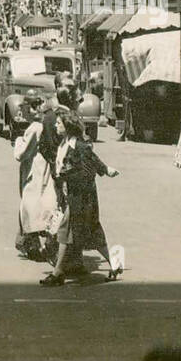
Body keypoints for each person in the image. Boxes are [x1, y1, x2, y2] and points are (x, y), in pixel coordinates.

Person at [40, 109, 120, 286]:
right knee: (91, 231)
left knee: (65, 231)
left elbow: (89, 165)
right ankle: (115, 264)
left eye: (59, 123)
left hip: (82, 197)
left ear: (67, 126)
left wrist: (105, 170)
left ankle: (58, 273)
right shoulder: (64, 144)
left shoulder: (79, 146)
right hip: (73, 195)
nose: (56, 125)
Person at [13, 91, 59, 262]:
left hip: (35, 169)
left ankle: (32, 243)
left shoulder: (34, 128)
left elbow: (20, 154)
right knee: (42, 204)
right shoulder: (46, 124)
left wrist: (18, 140)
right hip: (45, 167)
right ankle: (30, 242)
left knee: (29, 205)